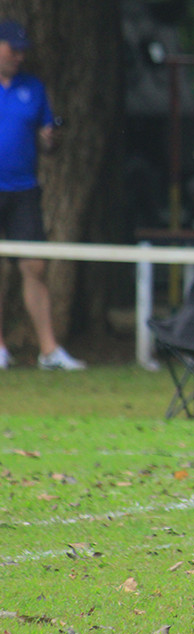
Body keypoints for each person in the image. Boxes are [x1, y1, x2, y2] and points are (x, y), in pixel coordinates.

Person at [0, 20, 85, 371]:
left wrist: (51, 139)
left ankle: (48, 350)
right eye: (12, 49)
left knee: (34, 265)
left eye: (22, 51)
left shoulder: (33, 88)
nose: (19, 56)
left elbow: (49, 142)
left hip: (23, 190)